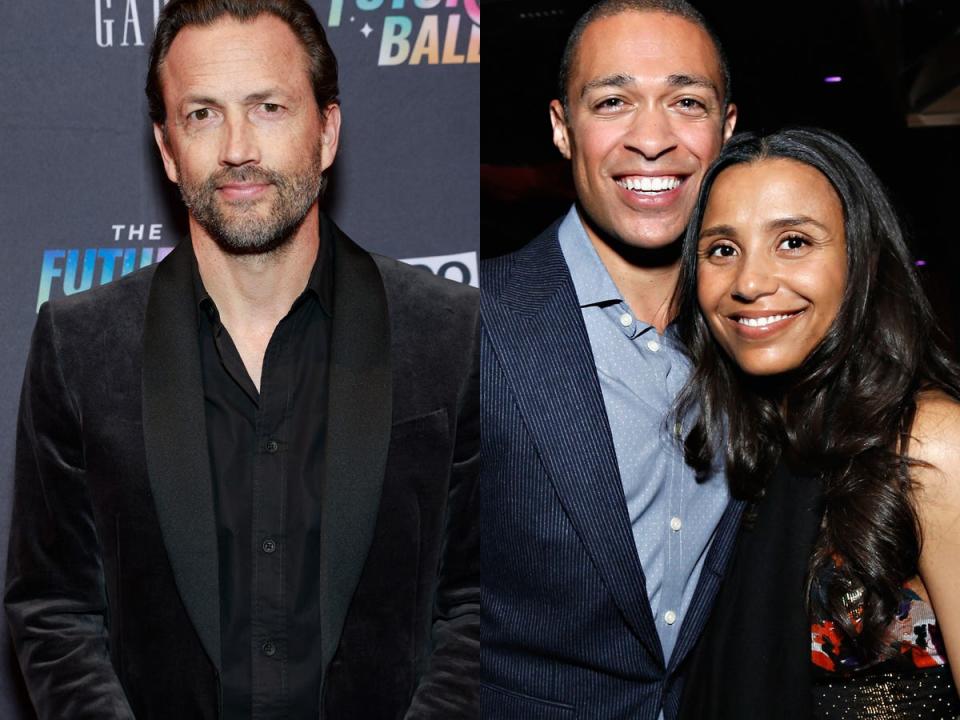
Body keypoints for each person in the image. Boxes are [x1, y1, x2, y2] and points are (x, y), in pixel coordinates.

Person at [5, 1, 479, 718]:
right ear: (167, 149)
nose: (236, 147)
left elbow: (480, 602)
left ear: (327, 132)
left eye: (268, 107)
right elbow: (54, 609)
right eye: (201, 114)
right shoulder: (79, 347)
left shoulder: (451, 333)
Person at [481, 1, 740, 717]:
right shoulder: (469, 330)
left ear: (727, 129)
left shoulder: (765, 335)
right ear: (564, 128)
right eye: (615, 101)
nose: (652, 138)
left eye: (686, 101)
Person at [673, 128, 960, 719]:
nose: (749, 283)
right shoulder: (740, 455)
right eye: (722, 249)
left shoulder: (931, 443)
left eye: (794, 241)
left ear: (863, 261)